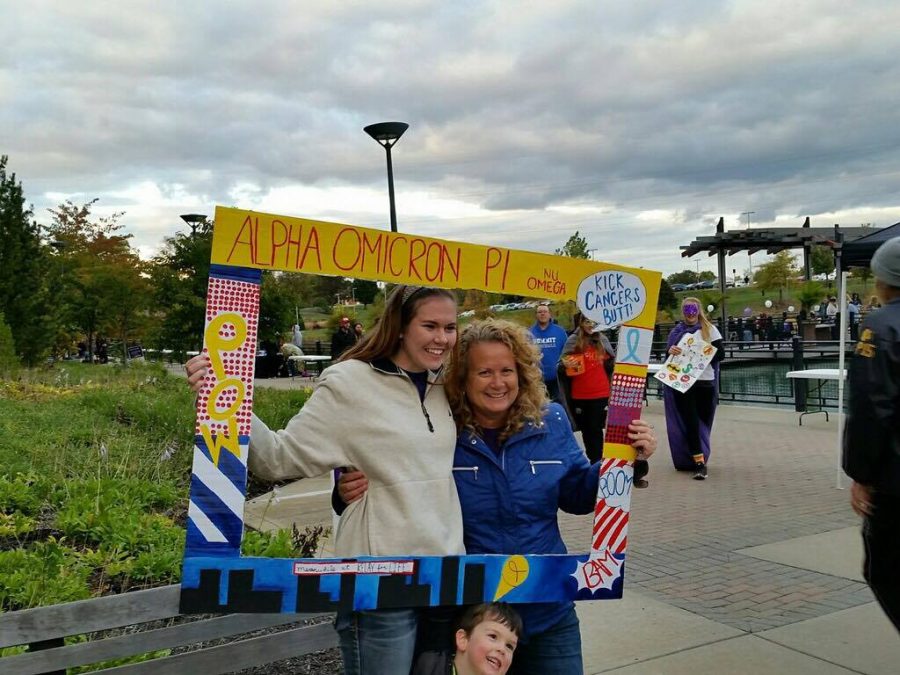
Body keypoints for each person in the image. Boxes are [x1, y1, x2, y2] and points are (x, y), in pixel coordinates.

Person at [339, 319, 657, 674]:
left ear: (522, 373)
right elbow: (390, 484)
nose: (498, 382)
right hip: (474, 619)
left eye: (507, 370)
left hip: (547, 606)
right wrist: (345, 489)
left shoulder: (549, 421)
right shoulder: (437, 432)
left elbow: (578, 496)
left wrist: (625, 461)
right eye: (484, 372)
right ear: (461, 378)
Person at [187, 285, 465, 675]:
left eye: (450, 327)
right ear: (400, 326)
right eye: (430, 325)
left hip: (444, 578)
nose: (441, 338)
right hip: (381, 583)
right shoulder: (350, 383)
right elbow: (279, 458)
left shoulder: (445, 385)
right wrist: (221, 395)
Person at [842, 236, 900, 633]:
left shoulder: (880, 327)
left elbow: (870, 408)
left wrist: (861, 474)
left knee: (886, 570)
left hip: (896, 480)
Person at [663, 297, 724, 480]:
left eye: (693, 310)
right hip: (683, 383)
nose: (690, 314)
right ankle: (699, 463)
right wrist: (670, 351)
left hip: (705, 382)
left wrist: (703, 351)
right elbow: (668, 357)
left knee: (703, 423)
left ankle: (699, 455)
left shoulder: (710, 330)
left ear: (698, 310)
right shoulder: (677, 332)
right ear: (683, 312)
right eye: (687, 311)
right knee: (691, 423)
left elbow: (721, 354)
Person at [558, 312, 615, 463]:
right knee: (587, 430)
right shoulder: (573, 340)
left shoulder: (602, 339)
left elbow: (611, 364)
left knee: (595, 429)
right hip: (580, 395)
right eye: (587, 322)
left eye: (593, 322)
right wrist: (564, 365)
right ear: (581, 323)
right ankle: (595, 460)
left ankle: (598, 461)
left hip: (601, 393)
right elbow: (560, 366)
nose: (590, 325)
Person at [415, 603, 523, 675]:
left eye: (509, 646)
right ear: (463, 639)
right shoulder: (429, 667)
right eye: (493, 637)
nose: (502, 649)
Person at [528, 302, 567, 402]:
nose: (542, 314)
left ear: (550, 314)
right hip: (537, 379)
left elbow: (567, 353)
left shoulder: (560, 331)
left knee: (559, 405)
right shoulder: (529, 333)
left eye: (545, 311)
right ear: (536, 315)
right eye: (539, 312)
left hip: (557, 379)